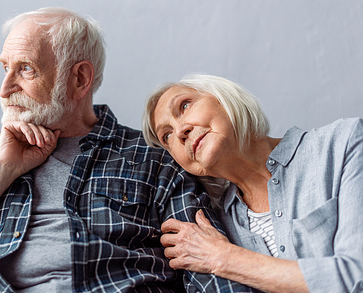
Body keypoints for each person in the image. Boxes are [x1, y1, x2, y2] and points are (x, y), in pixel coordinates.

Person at [0, 9, 255, 293]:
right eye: (4, 68)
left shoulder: (154, 157)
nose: (5, 88)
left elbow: (208, 272)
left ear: (79, 80)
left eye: (25, 69)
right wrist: (0, 170)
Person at [142, 73, 363, 293]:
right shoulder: (217, 225)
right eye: (167, 136)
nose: (180, 131)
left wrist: (224, 257)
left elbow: (357, 274)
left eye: (185, 106)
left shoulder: (345, 142)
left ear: (224, 96)